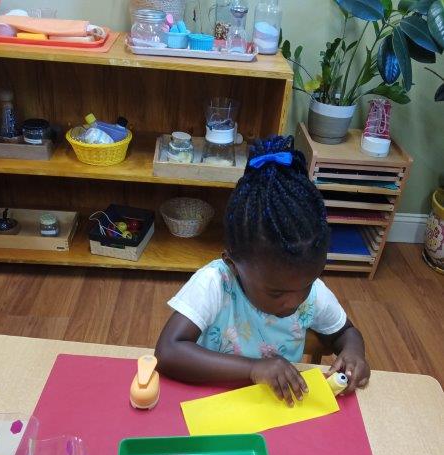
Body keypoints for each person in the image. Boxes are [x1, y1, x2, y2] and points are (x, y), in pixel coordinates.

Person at [155, 135, 370, 404]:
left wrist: (353, 354)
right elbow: (167, 352)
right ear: (232, 264)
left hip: (273, 412)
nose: (294, 301)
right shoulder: (216, 283)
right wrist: (253, 369)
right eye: (276, 293)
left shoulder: (312, 294)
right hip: (208, 403)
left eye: (307, 284)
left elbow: (346, 332)